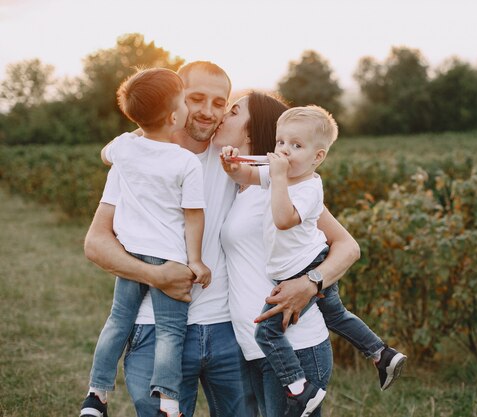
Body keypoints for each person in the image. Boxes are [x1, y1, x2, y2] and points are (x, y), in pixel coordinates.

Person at [83, 61, 360, 417]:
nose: (209, 112)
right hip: (156, 325)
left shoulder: (238, 163)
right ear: (176, 102)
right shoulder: (138, 159)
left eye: (221, 104)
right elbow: (96, 243)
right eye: (196, 99)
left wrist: (311, 283)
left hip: (226, 329)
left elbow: (344, 243)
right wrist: (155, 275)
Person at [221, 105, 408, 416]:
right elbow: (247, 173)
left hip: (305, 269)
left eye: (296, 145)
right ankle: (381, 353)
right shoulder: (279, 176)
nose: (284, 151)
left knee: (267, 331)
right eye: (281, 143)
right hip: (294, 271)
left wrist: (278, 177)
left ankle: (300, 389)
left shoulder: (307, 187)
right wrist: (231, 165)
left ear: (317, 157)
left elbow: (283, 219)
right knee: (336, 314)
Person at [80, 68, 211, 417]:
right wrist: (195, 261)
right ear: (174, 116)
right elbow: (193, 215)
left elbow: (106, 153)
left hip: (130, 252)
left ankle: (97, 394)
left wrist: (144, 124)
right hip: (168, 257)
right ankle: (168, 401)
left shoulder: (125, 147)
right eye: (184, 101)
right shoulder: (185, 161)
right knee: (170, 331)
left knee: (118, 321)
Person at [217, 92, 335, 417]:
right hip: (257, 346)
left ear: (252, 132)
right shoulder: (244, 185)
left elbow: (347, 246)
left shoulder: (286, 187)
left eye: (232, 111)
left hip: (294, 343)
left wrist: (312, 282)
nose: (222, 115)